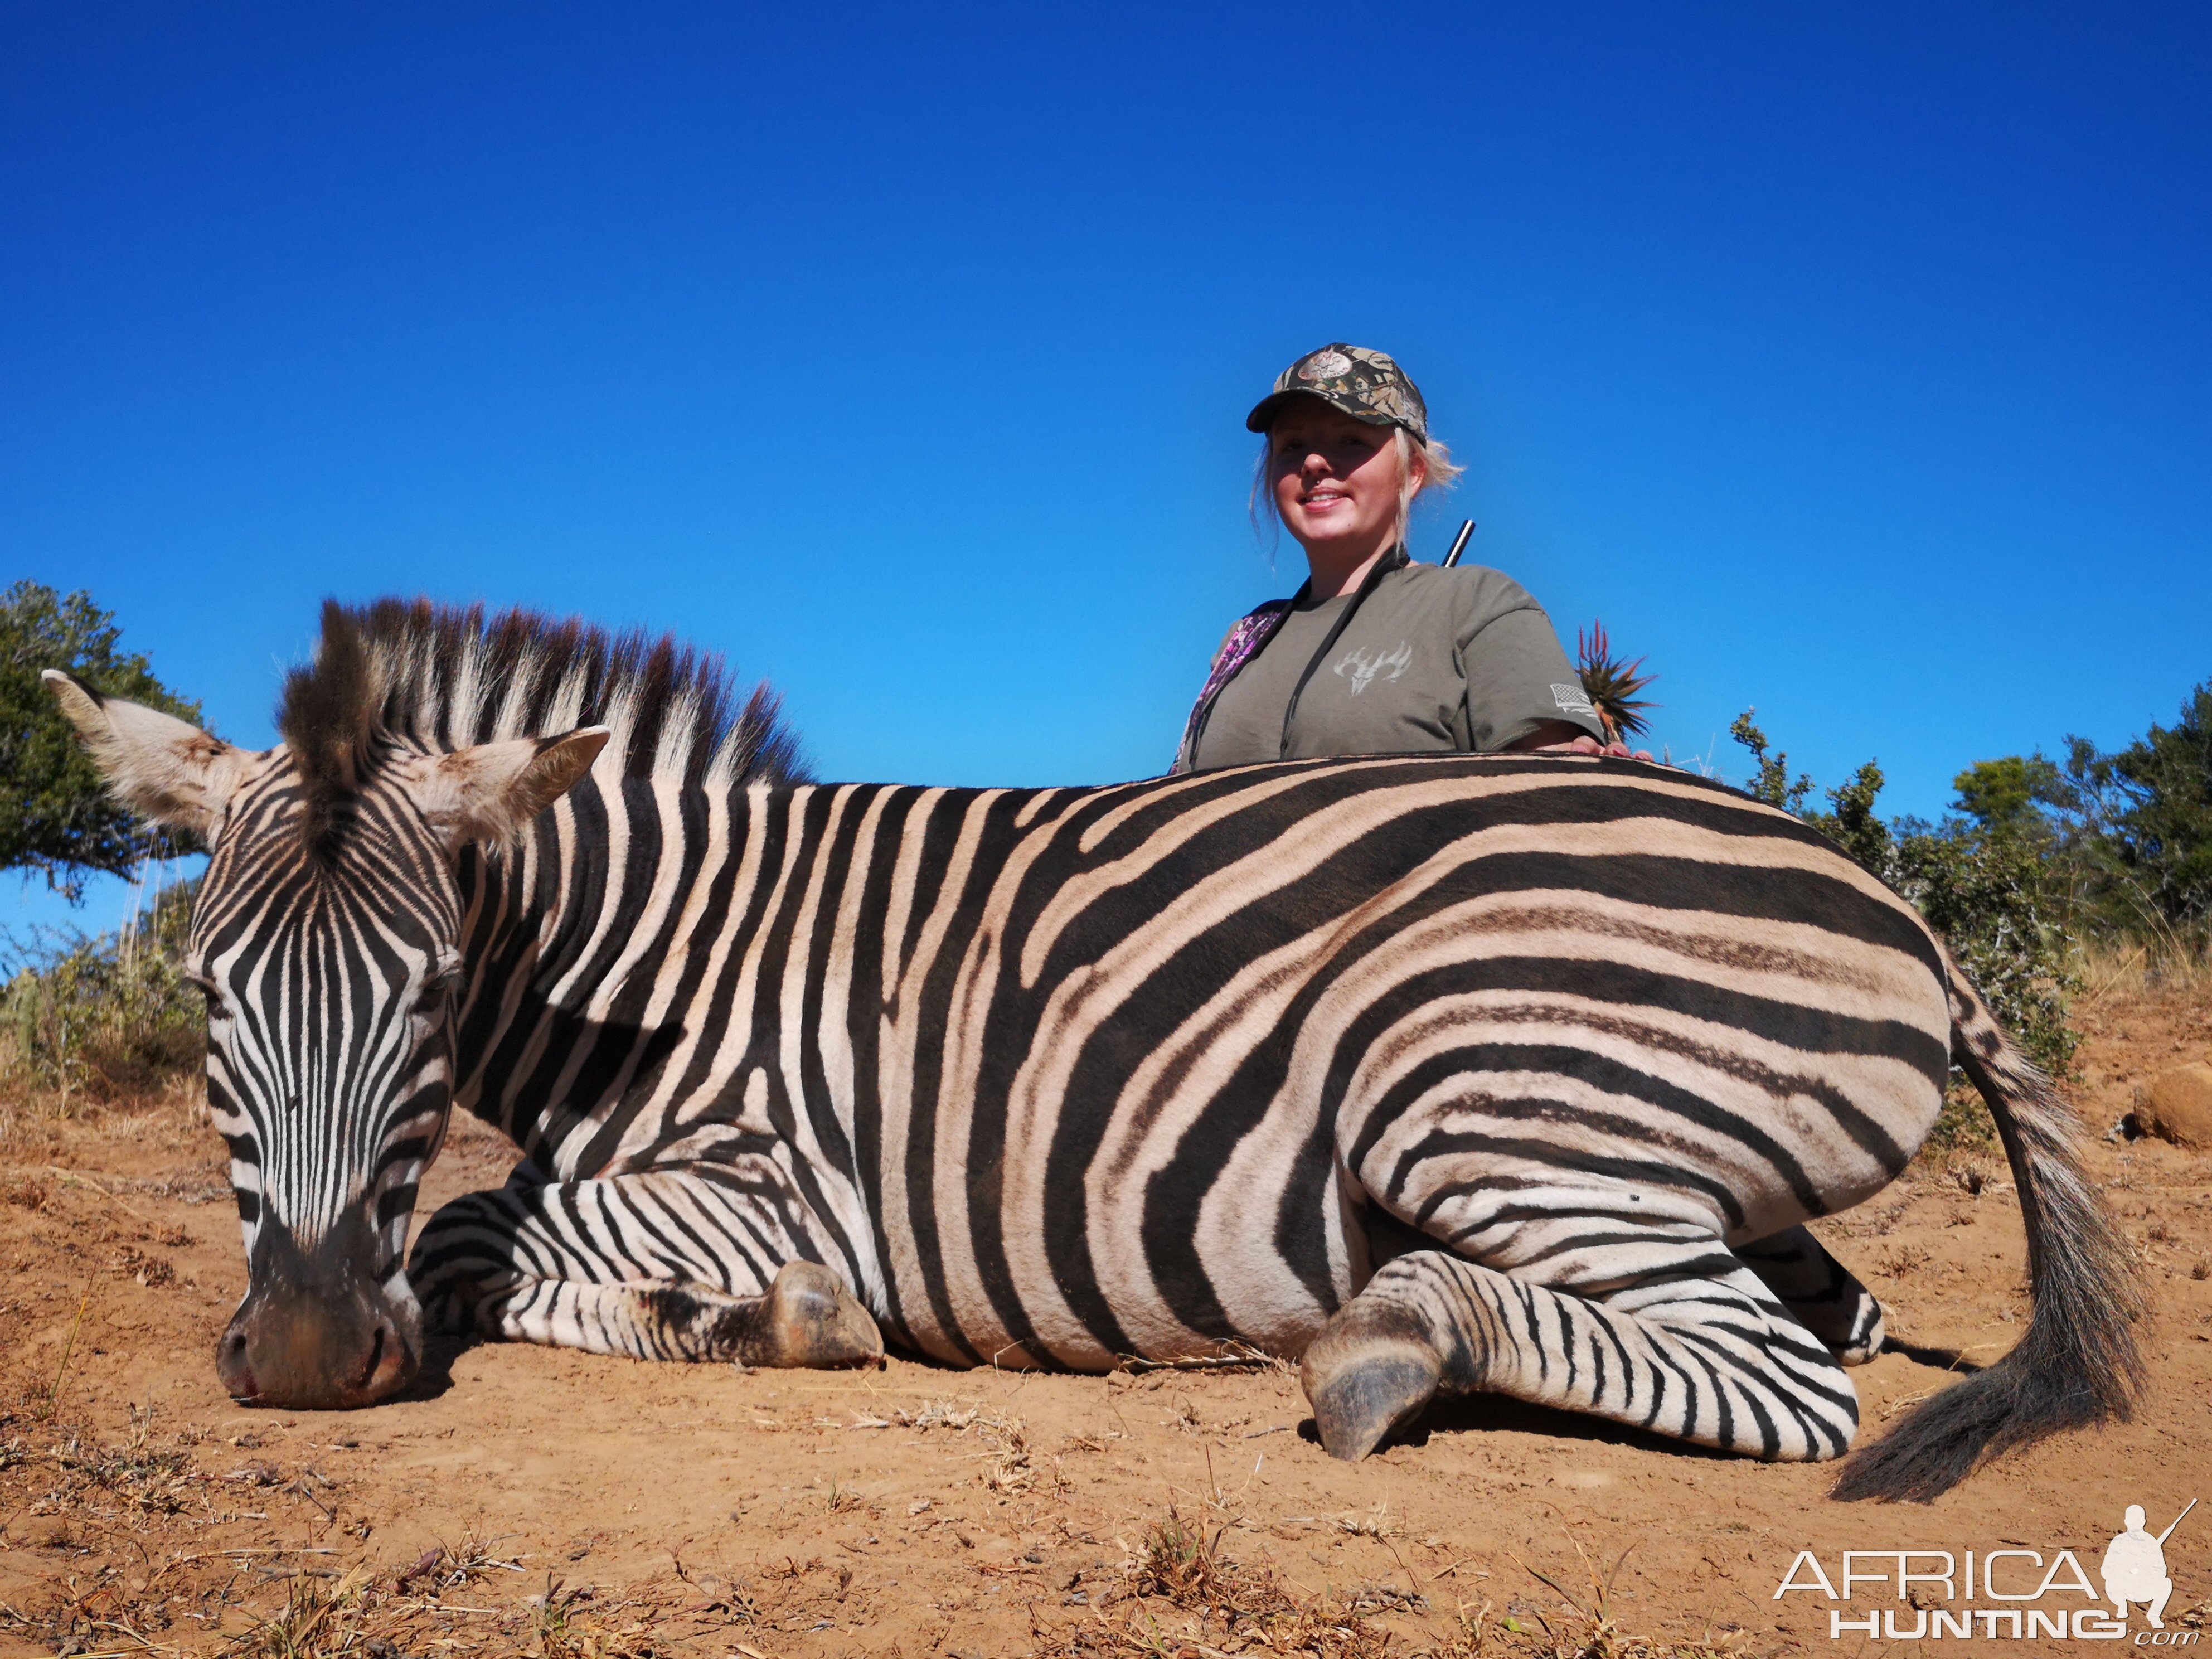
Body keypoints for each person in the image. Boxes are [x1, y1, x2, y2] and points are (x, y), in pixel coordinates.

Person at [1172, 343, 1647, 773]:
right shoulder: (1243, 640)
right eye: (1292, 446)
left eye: (1351, 440)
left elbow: (1554, 783)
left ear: (1412, 473)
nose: (1313, 463)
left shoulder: (1477, 603)